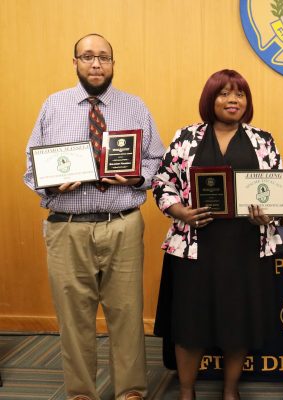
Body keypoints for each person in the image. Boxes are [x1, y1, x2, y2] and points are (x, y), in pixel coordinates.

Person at [23, 33, 165, 400]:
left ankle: (130, 391)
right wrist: (52, 186)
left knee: (127, 312)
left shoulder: (135, 107)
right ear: (75, 63)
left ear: (114, 63)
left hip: (122, 223)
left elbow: (155, 160)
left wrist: (137, 177)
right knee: (73, 318)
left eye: (104, 57)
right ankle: (81, 393)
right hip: (66, 228)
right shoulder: (53, 106)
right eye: (87, 57)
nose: (96, 64)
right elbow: (30, 167)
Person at [151, 69, 283, 400]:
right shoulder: (185, 138)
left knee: (237, 322)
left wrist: (268, 215)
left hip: (246, 245)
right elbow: (162, 182)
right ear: (211, 99)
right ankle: (185, 391)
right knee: (189, 323)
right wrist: (180, 211)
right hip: (194, 246)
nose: (232, 99)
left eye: (239, 94)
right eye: (224, 93)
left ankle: (230, 390)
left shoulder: (262, 140)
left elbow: (278, 192)